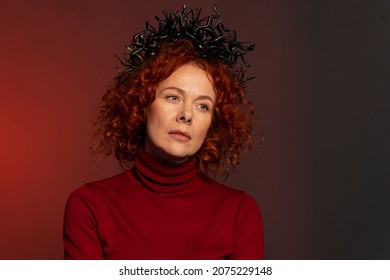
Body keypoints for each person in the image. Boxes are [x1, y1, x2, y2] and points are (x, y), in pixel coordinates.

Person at [63, 5, 264, 260]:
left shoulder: (240, 212)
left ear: (213, 123)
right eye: (173, 97)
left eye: (203, 106)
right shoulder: (89, 205)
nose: (186, 114)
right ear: (142, 105)